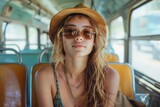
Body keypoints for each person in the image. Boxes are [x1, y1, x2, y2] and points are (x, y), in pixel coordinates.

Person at [35, 3, 119, 107]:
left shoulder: (109, 76)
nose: (79, 37)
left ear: (94, 40)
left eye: (87, 32)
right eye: (70, 31)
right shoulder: (45, 76)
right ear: (61, 39)